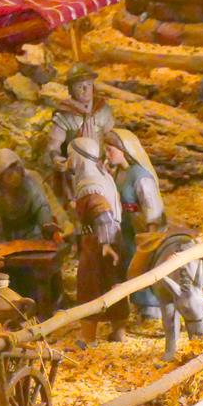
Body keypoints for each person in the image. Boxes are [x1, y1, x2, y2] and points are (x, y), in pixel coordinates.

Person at [69, 137, 129, 344]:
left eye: (71, 156)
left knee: (89, 287)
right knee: (114, 283)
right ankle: (119, 332)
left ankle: (88, 338)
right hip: (113, 239)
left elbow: (102, 213)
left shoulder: (89, 182)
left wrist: (105, 243)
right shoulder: (103, 175)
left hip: (97, 242)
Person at [106, 133, 166, 320]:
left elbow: (150, 204)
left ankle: (152, 307)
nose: (107, 154)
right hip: (126, 226)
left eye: (110, 150)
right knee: (129, 263)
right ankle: (138, 303)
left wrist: (151, 234)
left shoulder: (140, 175)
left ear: (123, 150)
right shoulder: (119, 173)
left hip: (140, 227)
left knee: (143, 264)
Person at [46, 63, 116, 200]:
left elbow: (111, 136)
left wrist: (113, 154)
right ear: (71, 90)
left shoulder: (102, 110)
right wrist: (57, 158)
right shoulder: (65, 115)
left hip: (101, 165)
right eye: (79, 86)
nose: (85, 89)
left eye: (88, 85)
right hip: (75, 170)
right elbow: (53, 146)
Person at [0, 148, 59, 243]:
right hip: (2, 236)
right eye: (9, 175)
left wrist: (46, 223)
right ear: (0, 179)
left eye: (18, 171)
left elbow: (41, 205)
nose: (15, 177)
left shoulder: (29, 182)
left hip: (30, 232)